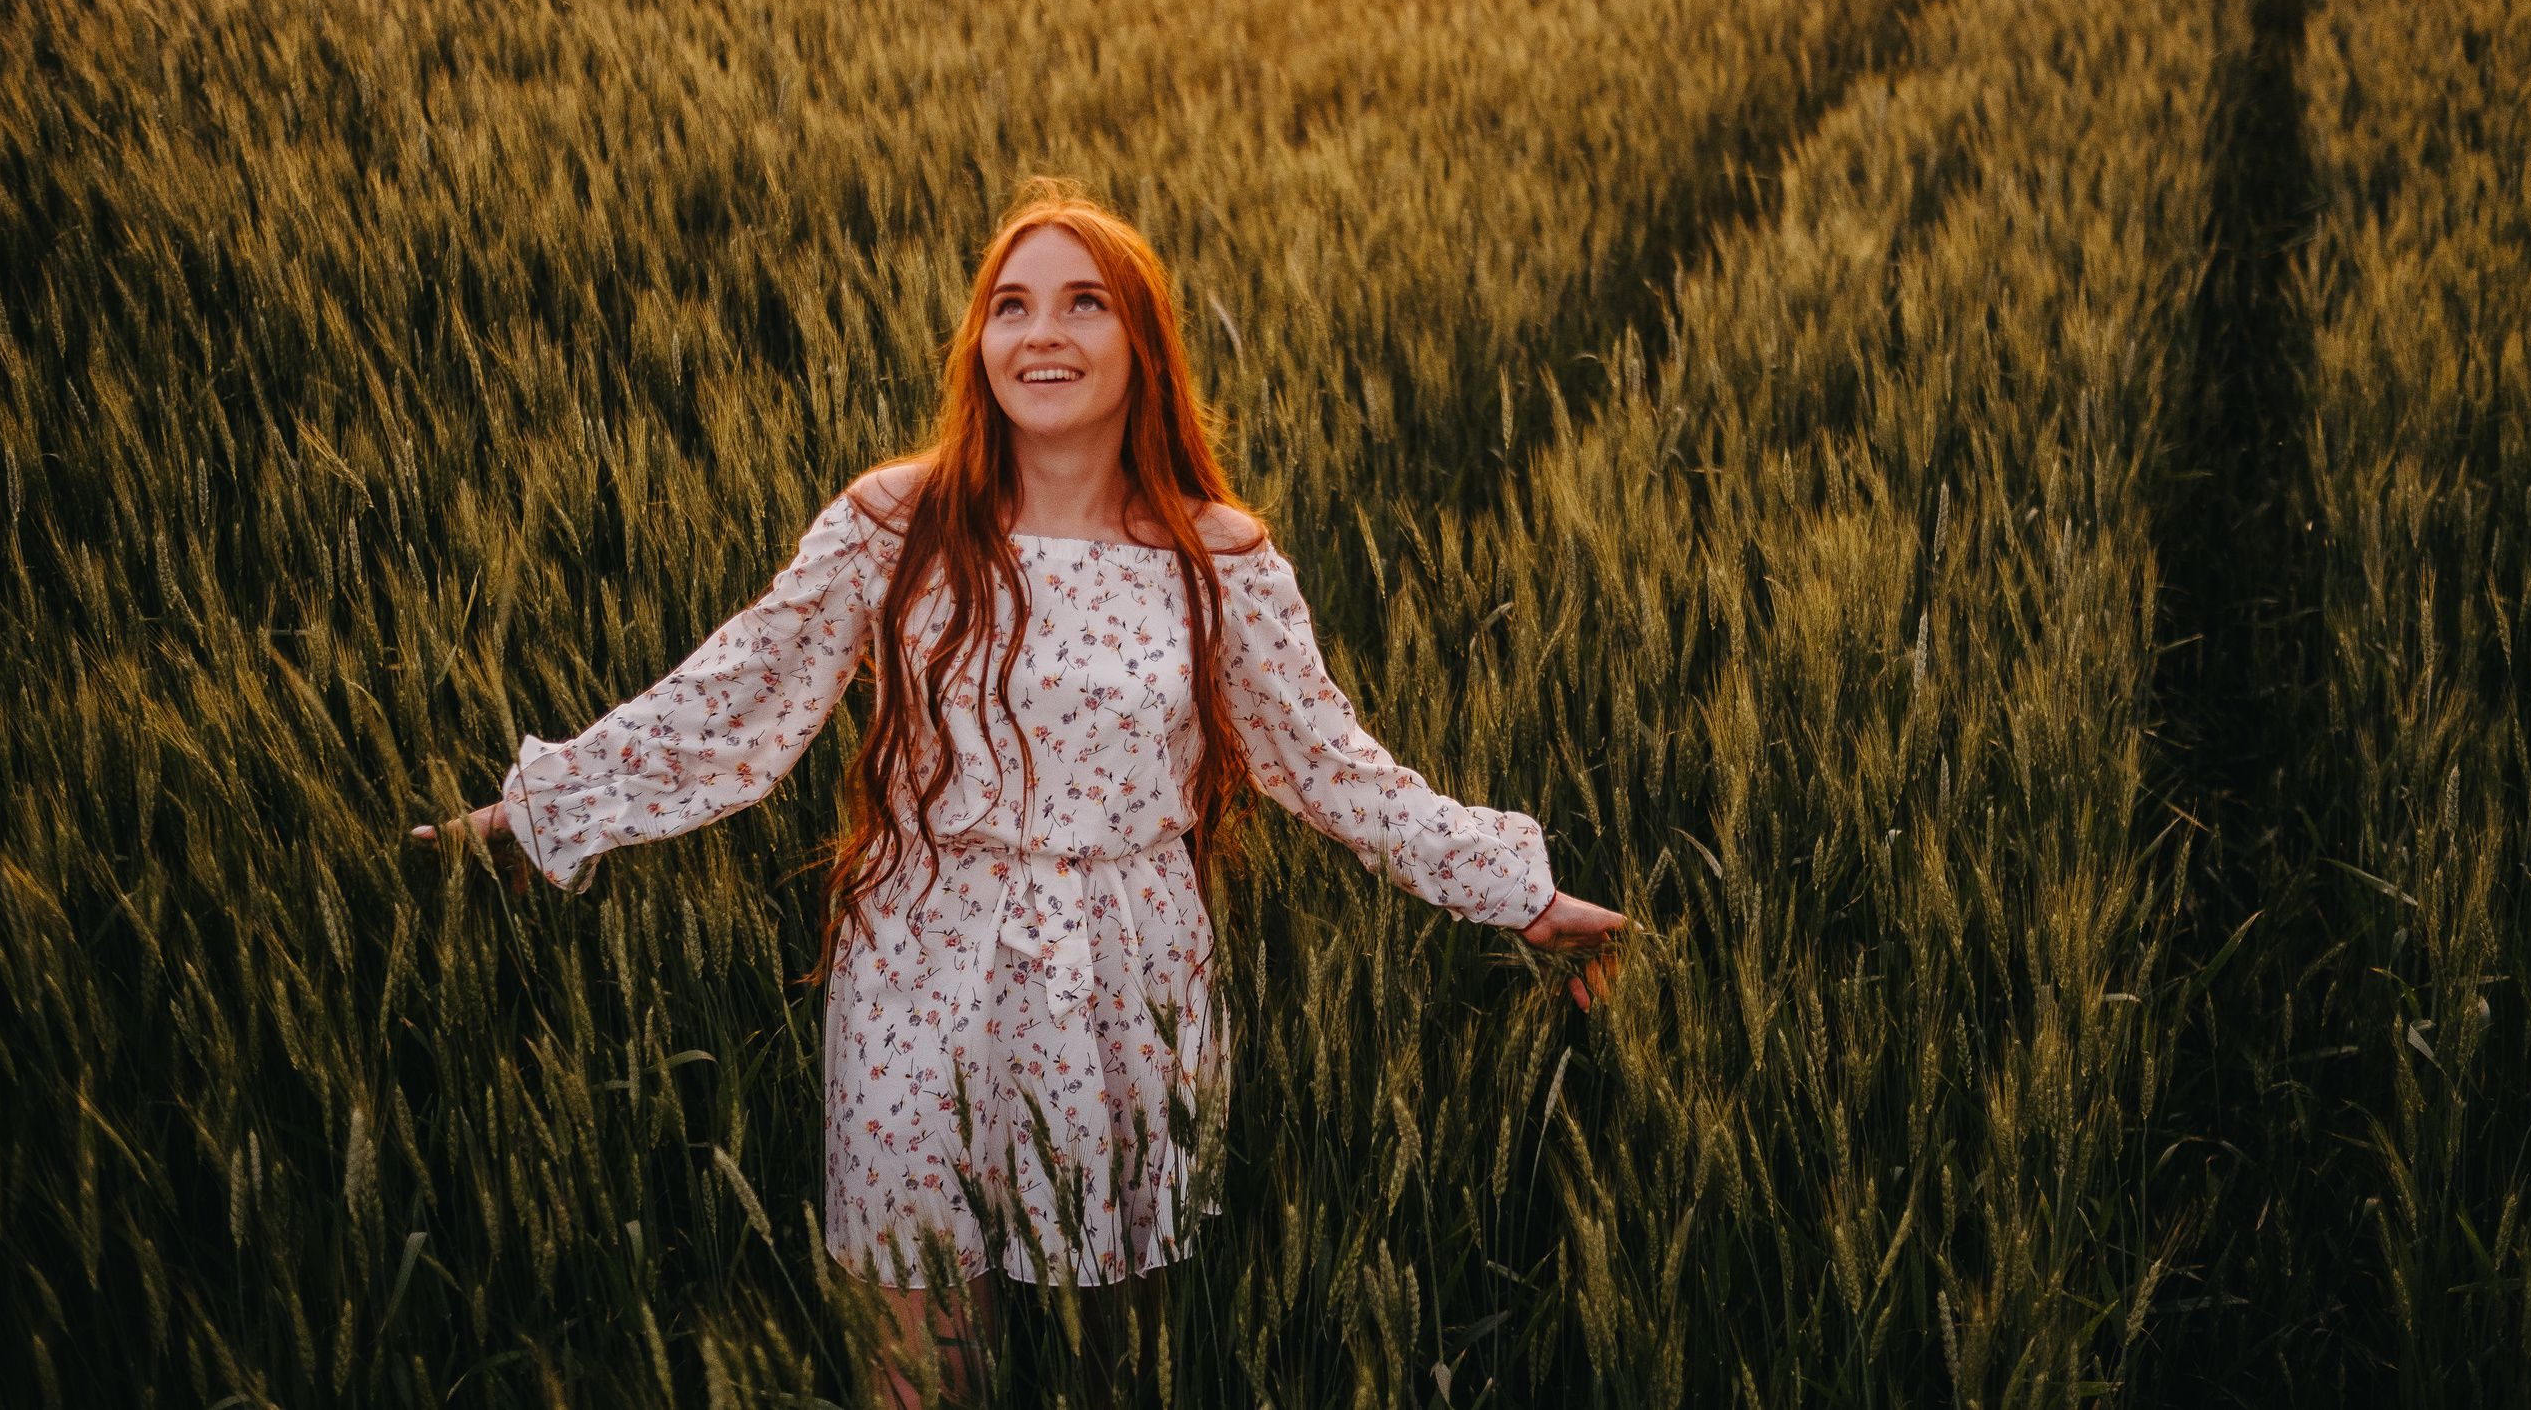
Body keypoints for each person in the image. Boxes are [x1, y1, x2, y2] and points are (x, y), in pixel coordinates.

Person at [414, 178, 1624, 1407]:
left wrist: (1515, 892)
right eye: (1010, 306)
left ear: (1141, 343)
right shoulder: (893, 523)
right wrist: (537, 814)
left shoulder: (1216, 557)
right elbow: (734, 700)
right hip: (915, 961)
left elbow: (1325, 764)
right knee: (919, 1358)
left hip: (1129, 970)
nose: (1040, 334)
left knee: (1121, 1363)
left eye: (1083, 303)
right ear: (979, 343)